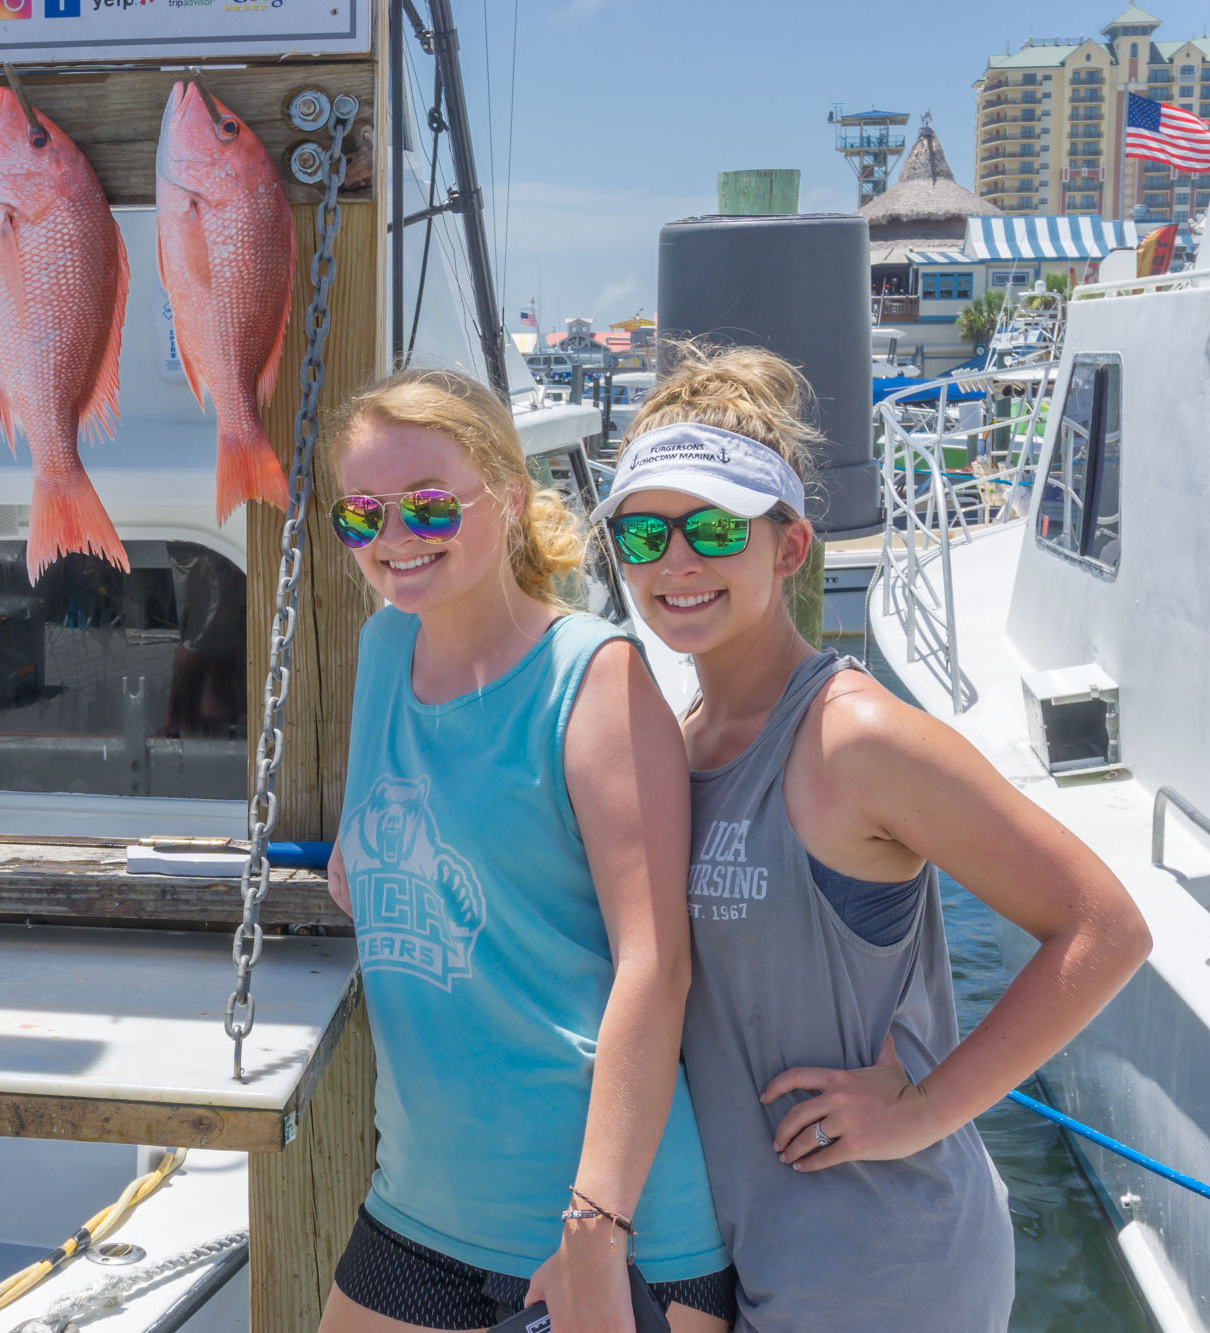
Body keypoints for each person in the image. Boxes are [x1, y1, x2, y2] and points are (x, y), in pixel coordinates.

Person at [590, 342, 1152, 1331]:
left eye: (712, 528)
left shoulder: (851, 738)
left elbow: (1101, 928)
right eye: (642, 535)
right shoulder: (676, 747)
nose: (675, 560)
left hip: (880, 1263)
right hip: (732, 1252)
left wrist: (928, 1108)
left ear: (788, 547)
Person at [318, 368, 734, 1333]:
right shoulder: (384, 650)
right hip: (416, 1208)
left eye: (427, 506)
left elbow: (656, 964)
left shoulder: (595, 678)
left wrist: (597, 1231)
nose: (393, 540)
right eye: (363, 515)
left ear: (508, 498)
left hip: (602, 1235)